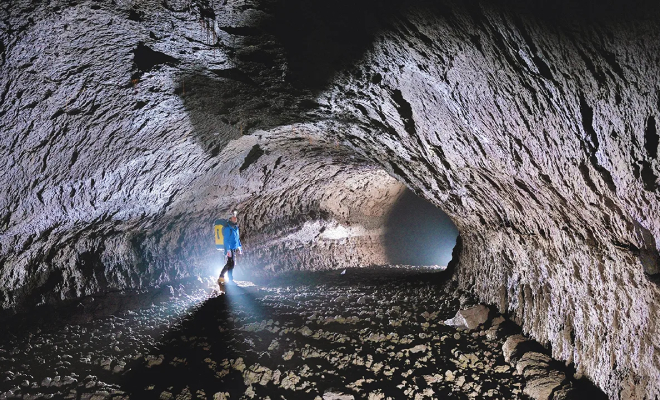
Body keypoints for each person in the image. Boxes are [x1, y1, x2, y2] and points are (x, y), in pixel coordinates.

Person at [220, 214, 242, 283]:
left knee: (231, 263)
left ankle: (227, 278)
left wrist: (240, 247)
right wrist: (228, 250)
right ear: (230, 219)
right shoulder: (227, 228)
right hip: (229, 248)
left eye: (235, 218)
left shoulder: (236, 228)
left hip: (234, 248)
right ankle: (224, 277)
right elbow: (225, 240)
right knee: (230, 263)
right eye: (233, 218)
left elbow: (237, 239)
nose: (235, 219)